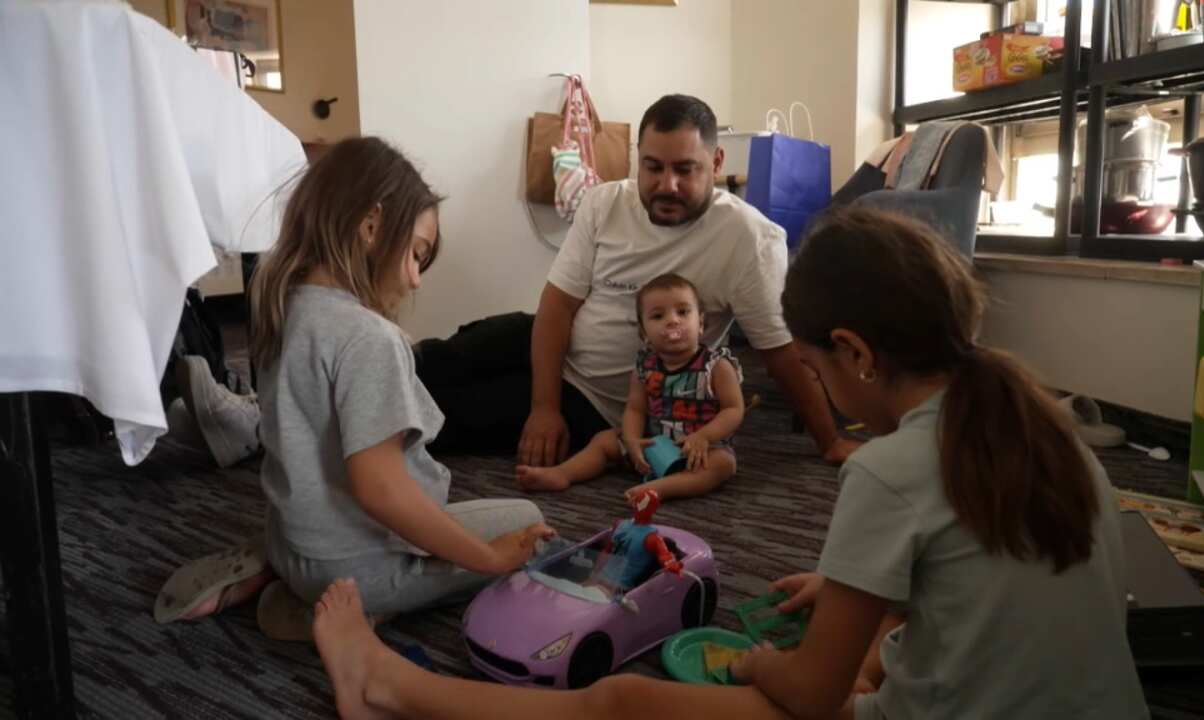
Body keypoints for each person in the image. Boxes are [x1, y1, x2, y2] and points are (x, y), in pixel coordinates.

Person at [306, 206, 1149, 719]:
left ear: (852, 354)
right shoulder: (1049, 430)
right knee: (870, 648)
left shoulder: (886, 474)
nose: (812, 380)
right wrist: (871, 595)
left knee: (623, 702)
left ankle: (387, 690)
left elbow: (811, 697)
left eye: (814, 366)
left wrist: (753, 663)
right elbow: (990, 570)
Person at [174, 94, 858, 470]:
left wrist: (829, 441)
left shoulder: (745, 240)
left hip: (604, 398)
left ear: (715, 163)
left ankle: (263, 434)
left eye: (685, 170)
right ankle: (258, 414)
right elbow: (557, 307)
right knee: (431, 360)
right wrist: (542, 404)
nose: (667, 184)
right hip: (548, 344)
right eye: (653, 167)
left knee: (438, 419)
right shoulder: (606, 202)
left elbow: (778, 352)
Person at [156, 137, 554, 634]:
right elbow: (381, 490)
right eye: (415, 254)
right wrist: (488, 560)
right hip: (356, 565)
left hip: (293, 541)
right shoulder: (370, 339)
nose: (416, 280)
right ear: (371, 227)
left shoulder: (283, 307)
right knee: (526, 521)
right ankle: (352, 609)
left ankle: (279, 570)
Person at [516, 273, 744, 501]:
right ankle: (562, 473)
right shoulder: (644, 367)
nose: (673, 321)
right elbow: (635, 409)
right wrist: (633, 440)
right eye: (658, 316)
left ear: (701, 323)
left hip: (699, 448)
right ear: (644, 334)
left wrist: (703, 437)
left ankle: (660, 489)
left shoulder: (716, 366)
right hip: (653, 442)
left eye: (683, 312)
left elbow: (733, 409)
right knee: (604, 440)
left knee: (724, 464)